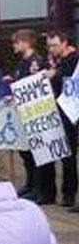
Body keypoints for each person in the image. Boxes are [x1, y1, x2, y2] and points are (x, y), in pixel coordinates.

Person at [11, 29, 48, 202]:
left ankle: (40, 189)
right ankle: (31, 184)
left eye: (17, 42)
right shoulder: (22, 63)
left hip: (35, 113)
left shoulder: (37, 62)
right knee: (26, 153)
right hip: (23, 113)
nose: (14, 46)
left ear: (26, 42)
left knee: (37, 154)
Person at [44, 30, 79, 209]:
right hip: (62, 112)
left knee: (70, 156)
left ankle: (70, 193)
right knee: (66, 155)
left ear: (65, 43)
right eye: (49, 46)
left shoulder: (74, 59)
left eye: (55, 45)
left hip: (72, 113)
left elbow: (71, 83)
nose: (51, 49)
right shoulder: (58, 61)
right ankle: (67, 194)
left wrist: (54, 75)